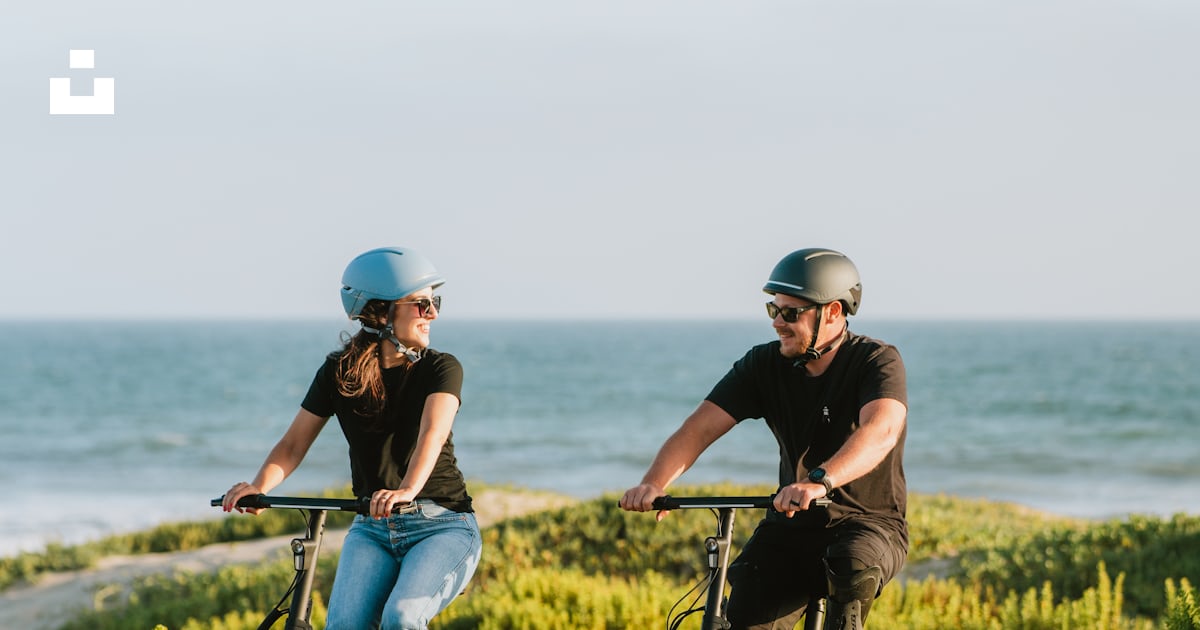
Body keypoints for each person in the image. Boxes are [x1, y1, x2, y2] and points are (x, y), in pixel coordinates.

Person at [619, 248, 908, 630]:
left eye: (791, 313)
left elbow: (882, 430)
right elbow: (699, 427)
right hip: (790, 524)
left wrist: (820, 482)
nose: (778, 323)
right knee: (749, 592)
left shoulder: (876, 361)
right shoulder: (763, 365)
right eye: (774, 310)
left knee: (851, 565)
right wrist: (655, 483)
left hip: (868, 525)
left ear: (834, 312)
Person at [221, 246, 481, 630]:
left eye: (434, 303)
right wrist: (258, 487)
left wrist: (407, 490)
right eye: (421, 305)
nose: (433, 314)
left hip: (442, 525)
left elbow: (433, 433)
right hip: (372, 529)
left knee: (402, 617)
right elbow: (293, 444)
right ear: (381, 312)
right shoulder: (338, 373)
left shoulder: (441, 368)